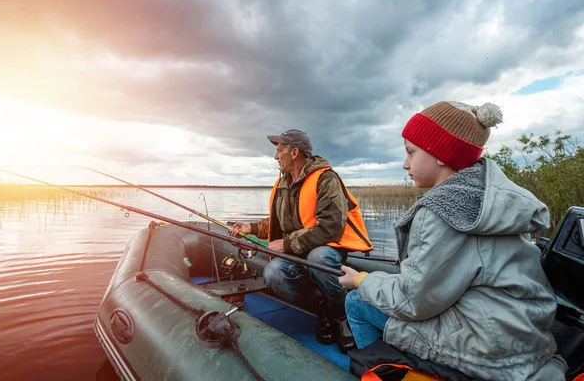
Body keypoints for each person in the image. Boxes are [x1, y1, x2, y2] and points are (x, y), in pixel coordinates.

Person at [338, 101, 567, 380]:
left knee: (356, 302)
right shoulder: (488, 201)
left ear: (442, 154)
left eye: (411, 152)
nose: (405, 163)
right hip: (522, 341)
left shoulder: (443, 210)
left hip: (485, 350)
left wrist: (361, 280)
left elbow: (412, 302)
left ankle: (381, 370)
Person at [229, 129, 373, 352]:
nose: (276, 157)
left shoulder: (326, 179)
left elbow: (330, 228)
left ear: (294, 152)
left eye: (279, 151)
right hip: (298, 254)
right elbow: (277, 222)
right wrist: (253, 227)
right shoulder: (282, 184)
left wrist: (286, 244)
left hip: (326, 249)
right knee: (273, 272)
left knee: (319, 256)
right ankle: (321, 305)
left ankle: (339, 312)